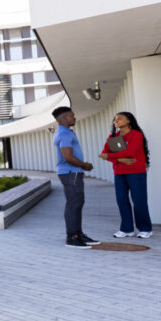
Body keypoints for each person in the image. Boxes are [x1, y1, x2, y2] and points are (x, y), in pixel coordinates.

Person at [98, 111, 153, 238]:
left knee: (139, 201)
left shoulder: (136, 135)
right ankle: (127, 229)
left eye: (119, 119)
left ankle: (146, 228)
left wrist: (111, 156)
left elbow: (131, 152)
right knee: (121, 200)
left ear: (128, 121)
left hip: (136, 172)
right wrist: (119, 159)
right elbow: (102, 154)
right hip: (119, 173)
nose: (116, 121)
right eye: (115, 120)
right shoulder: (113, 138)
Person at [52, 106, 100, 249]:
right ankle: (72, 237)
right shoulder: (65, 134)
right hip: (70, 172)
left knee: (77, 203)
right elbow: (67, 157)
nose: (74, 118)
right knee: (74, 204)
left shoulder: (64, 132)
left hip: (71, 172)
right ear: (64, 118)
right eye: (72, 115)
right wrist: (84, 165)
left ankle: (78, 234)